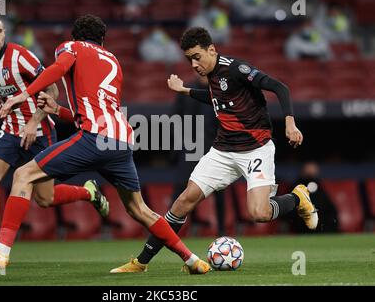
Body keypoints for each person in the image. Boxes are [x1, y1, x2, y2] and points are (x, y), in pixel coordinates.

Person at [0, 15, 210, 275]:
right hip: (121, 142)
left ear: (75, 36)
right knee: (140, 210)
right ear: (102, 40)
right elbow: (99, 111)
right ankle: (192, 259)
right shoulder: (113, 61)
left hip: (93, 139)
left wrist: (24, 94)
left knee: (23, 175)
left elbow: (58, 69)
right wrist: (57, 110)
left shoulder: (71, 47)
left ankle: (0, 249)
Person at [110, 27, 318, 273]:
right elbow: (216, 98)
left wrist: (290, 123)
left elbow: (280, 87)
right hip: (222, 151)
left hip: (256, 149)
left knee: (260, 213)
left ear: (212, 50)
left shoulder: (236, 69)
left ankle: (298, 198)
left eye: (197, 56)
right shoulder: (212, 76)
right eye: (189, 60)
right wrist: (185, 91)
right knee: (182, 202)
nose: (194, 64)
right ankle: (141, 262)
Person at [0, 14, 109, 265]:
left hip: (40, 130)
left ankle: (88, 193)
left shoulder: (21, 56)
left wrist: (32, 123)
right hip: (10, 130)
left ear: (5, 33)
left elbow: (52, 89)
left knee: (45, 199)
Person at [170, 75, 225, 235]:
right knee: (182, 188)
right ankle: (170, 230)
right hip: (189, 147)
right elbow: (175, 118)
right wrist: (178, 146)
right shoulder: (186, 91)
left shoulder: (218, 91)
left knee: (219, 190)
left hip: (212, 147)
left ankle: (221, 229)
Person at [290, 161, 339, 233]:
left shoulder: (319, 187)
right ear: (303, 170)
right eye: (308, 168)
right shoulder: (297, 188)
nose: (311, 170)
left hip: (322, 227)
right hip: (302, 225)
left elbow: (330, 209)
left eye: (313, 168)